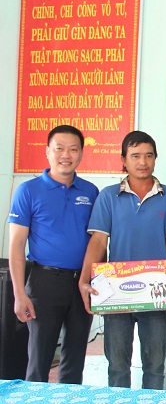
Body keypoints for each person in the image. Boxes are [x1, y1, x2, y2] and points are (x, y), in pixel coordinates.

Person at [78, 131, 166, 390]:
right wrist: (84, 280)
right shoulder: (108, 196)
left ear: (155, 159)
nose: (143, 162)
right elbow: (97, 242)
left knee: (155, 366)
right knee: (117, 366)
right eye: (136, 156)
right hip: (116, 295)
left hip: (156, 293)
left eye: (149, 156)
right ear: (123, 160)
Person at [8, 125, 99, 383]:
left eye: (73, 149)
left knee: (74, 361)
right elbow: (16, 245)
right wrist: (19, 294)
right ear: (48, 152)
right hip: (44, 282)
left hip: (83, 283)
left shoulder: (90, 192)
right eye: (59, 148)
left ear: (81, 154)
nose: (66, 155)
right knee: (39, 360)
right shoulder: (28, 190)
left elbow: (97, 241)